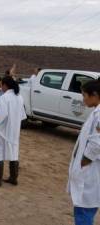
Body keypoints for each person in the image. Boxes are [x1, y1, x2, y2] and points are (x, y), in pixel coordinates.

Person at [67, 79, 100, 225]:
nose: (83, 99)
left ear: (94, 94)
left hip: (89, 171)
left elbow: (97, 142)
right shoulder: (96, 112)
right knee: (84, 209)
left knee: (84, 211)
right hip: (88, 170)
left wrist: (83, 162)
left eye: (84, 95)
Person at [0, 76, 26, 187]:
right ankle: (13, 178)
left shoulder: (5, 97)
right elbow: (22, 115)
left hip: (2, 130)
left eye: (1, 85)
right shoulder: (19, 97)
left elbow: (1, 115)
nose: (0, 87)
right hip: (14, 131)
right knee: (14, 153)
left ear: (5, 85)